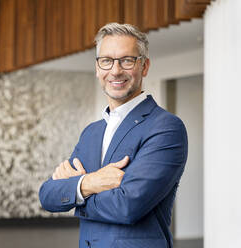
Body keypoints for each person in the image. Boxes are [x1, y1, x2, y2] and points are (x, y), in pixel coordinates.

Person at [39, 23, 188, 248]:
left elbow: (128, 206)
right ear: (98, 68)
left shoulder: (166, 128)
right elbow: (47, 195)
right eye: (106, 61)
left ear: (144, 66)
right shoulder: (91, 132)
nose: (115, 71)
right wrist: (90, 182)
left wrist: (74, 191)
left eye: (127, 60)